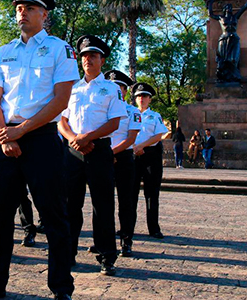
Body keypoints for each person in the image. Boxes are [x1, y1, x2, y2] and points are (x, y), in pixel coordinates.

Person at [0, 0, 78, 300]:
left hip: (41, 138)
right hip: (4, 140)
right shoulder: (2, 53)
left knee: (54, 215)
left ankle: (61, 288)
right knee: (0, 216)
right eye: (19, 8)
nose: (22, 12)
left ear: (44, 14)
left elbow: (60, 101)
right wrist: (4, 135)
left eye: (29, 7)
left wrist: (22, 131)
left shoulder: (59, 49)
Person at [58, 35, 124, 275]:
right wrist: (74, 139)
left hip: (99, 151)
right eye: (84, 56)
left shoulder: (111, 88)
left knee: (102, 204)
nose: (88, 59)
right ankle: (68, 251)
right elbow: (61, 121)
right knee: (69, 204)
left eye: (93, 56)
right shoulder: (71, 87)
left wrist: (88, 138)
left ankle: (106, 255)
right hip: (73, 152)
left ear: (102, 60)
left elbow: (115, 122)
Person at [105, 69, 141, 257]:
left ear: (125, 91)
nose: (116, 90)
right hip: (103, 158)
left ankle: (126, 240)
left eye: (119, 87)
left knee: (126, 201)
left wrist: (110, 152)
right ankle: (104, 241)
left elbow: (130, 139)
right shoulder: (101, 110)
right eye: (112, 87)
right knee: (103, 202)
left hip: (124, 158)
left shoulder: (133, 111)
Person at [132, 83, 169, 239]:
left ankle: (153, 228)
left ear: (150, 99)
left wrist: (141, 145)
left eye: (145, 96)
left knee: (151, 193)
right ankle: (127, 227)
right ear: (134, 99)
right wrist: (134, 147)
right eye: (139, 96)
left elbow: (157, 136)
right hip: (132, 156)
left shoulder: (155, 116)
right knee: (130, 194)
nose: (142, 99)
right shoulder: (128, 114)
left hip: (150, 156)